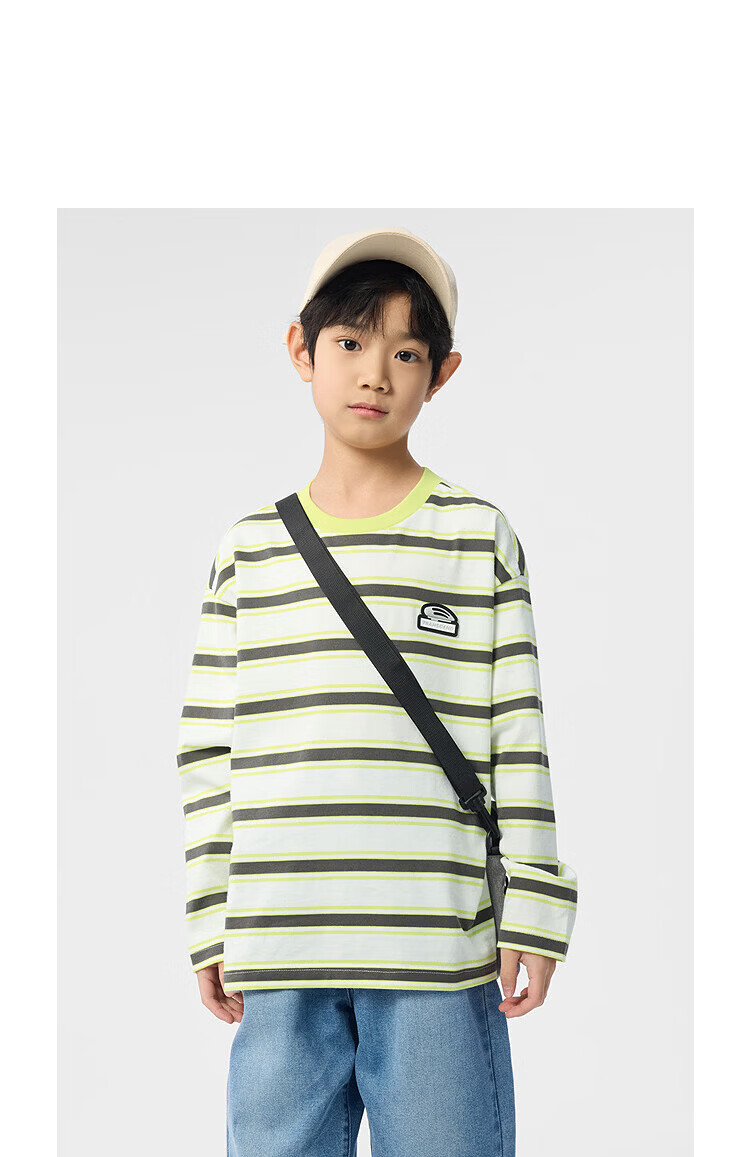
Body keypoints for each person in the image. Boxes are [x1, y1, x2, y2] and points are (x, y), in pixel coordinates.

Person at [176, 225, 579, 1157]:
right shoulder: (249, 552)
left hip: (436, 948)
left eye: (406, 352)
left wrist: (536, 901)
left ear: (442, 373)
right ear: (301, 348)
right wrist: (209, 914)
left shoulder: (477, 537)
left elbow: (516, 732)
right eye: (352, 341)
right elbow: (209, 749)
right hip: (281, 944)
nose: (374, 373)